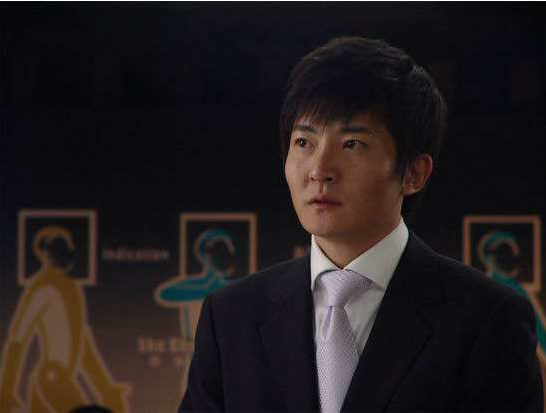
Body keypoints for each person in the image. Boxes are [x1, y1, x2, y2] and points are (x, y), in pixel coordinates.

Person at [179, 37, 543, 412]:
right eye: (304, 142)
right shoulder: (231, 318)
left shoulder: (487, 320)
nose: (319, 170)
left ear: (414, 173)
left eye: (352, 144)